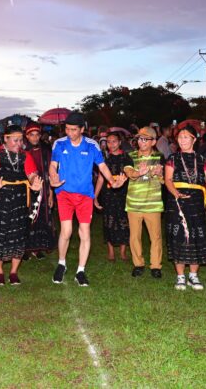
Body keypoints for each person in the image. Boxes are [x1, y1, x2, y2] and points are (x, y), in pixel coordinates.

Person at [49, 112, 125, 287]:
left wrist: (113, 181)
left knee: (85, 232)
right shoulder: (59, 144)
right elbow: (53, 165)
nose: (69, 133)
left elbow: (102, 166)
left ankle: (80, 271)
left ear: (82, 129)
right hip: (64, 192)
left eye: (74, 130)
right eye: (67, 129)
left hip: (84, 195)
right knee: (66, 231)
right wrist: (53, 177)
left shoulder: (92, 145)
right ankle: (62, 264)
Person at [0, 125, 42, 285]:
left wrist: (35, 183)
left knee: (18, 234)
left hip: (20, 200)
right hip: (0, 199)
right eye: (15, 140)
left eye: (21, 140)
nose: (19, 143)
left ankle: (14, 272)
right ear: (6, 139)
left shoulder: (26, 155)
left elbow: (32, 174)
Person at [165, 125, 206, 291]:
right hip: (177, 202)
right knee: (179, 236)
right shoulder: (172, 158)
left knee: (196, 235)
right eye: (180, 137)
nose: (182, 140)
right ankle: (180, 276)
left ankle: (193, 275)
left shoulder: (202, 160)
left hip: (196, 202)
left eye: (186, 137)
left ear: (194, 140)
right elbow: (168, 179)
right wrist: (176, 193)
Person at [123, 126, 165, 279]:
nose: (141, 142)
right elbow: (128, 172)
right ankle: (138, 264)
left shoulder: (160, 157)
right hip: (134, 203)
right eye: (140, 139)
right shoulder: (130, 155)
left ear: (153, 141)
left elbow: (164, 181)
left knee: (156, 237)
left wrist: (159, 175)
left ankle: (155, 266)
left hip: (153, 204)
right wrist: (138, 173)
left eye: (145, 139)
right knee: (134, 237)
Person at [94, 132, 130, 262]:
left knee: (124, 222)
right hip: (108, 194)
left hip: (123, 194)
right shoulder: (104, 159)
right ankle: (110, 251)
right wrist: (95, 196)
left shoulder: (127, 158)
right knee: (108, 221)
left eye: (114, 141)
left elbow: (131, 175)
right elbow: (100, 179)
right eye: (108, 142)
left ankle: (122, 251)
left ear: (120, 142)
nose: (111, 144)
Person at [23, 122, 55, 259]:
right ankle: (26, 249)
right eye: (32, 135)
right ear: (27, 136)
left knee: (41, 217)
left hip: (43, 190)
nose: (35, 138)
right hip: (27, 191)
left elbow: (51, 173)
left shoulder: (46, 151)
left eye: (37, 135)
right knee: (27, 218)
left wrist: (51, 193)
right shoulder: (22, 152)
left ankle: (39, 248)